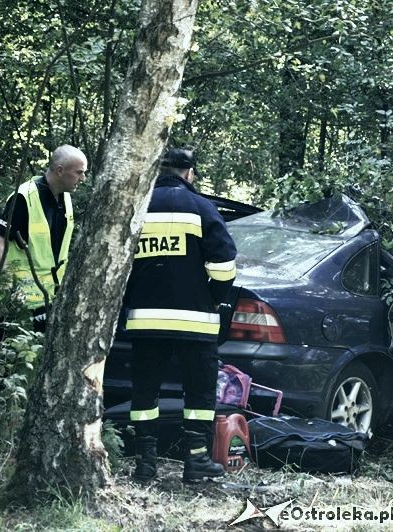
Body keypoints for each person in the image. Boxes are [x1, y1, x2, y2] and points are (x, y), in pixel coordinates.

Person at [123, 147, 237, 483]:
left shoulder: (136, 208)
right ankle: (196, 461)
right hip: (194, 322)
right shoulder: (202, 208)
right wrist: (214, 300)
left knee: (145, 392)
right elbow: (223, 266)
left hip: (145, 321)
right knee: (199, 393)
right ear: (189, 174)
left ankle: (145, 463)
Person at [0, 145, 88, 332]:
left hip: (49, 294)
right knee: (12, 357)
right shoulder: (24, 198)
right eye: (79, 172)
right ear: (60, 170)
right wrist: (11, 284)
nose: (83, 178)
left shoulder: (65, 198)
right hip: (20, 300)